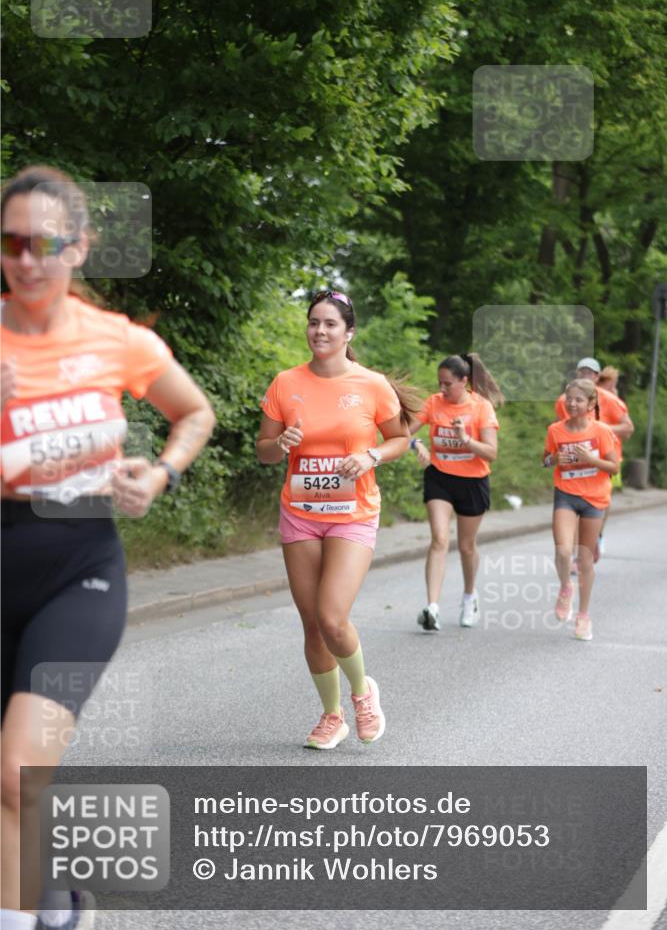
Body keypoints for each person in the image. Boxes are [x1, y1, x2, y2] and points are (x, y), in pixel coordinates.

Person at [1, 165, 216, 930]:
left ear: (80, 247)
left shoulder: (118, 341)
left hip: (79, 565)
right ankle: (56, 903)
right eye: (11, 242)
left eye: (45, 243)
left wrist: (158, 474)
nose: (27, 260)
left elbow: (195, 413)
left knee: (18, 768)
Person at [257, 290, 414, 750]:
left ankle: (364, 695)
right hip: (300, 514)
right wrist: (280, 444)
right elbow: (263, 452)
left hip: (353, 515)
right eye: (313, 322)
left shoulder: (372, 384)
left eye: (330, 324)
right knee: (311, 624)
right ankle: (332, 716)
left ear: (349, 333)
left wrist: (370, 456)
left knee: (332, 616)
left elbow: (400, 440)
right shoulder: (286, 382)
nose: (320, 331)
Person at [408, 353, 503, 632]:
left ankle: (469, 596)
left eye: (448, 384)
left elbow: (492, 452)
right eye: (439, 383)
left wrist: (466, 440)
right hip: (440, 478)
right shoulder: (434, 403)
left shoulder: (481, 407)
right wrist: (417, 444)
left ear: (464, 381)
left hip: (473, 481)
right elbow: (402, 432)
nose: (442, 389)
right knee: (439, 538)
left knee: (466, 546)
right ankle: (432, 608)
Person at [543, 379, 619, 641]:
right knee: (563, 551)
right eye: (569, 398)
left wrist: (591, 460)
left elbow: (613, 467)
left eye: (578, 399)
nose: (572, 403)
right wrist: (554, 459)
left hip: (594, 498)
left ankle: (583, 616)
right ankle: (566, 587)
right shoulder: (555, 430)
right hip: (566, 493)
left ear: (590, 404)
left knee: (585, 560)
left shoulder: (600, 431)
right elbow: (545, 459)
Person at [554, 358, 633, 559]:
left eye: (590, 373)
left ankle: (596, 534)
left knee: (600, 501)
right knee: (576, 501)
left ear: (597, 378)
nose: (586, 376)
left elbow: (628, 428)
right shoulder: (565, 399)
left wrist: (601, 430)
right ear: (577, 374)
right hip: (576, 459)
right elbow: (559, 427)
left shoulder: (609, 399)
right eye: (582, 372)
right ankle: (578, 553)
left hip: (607, 458)